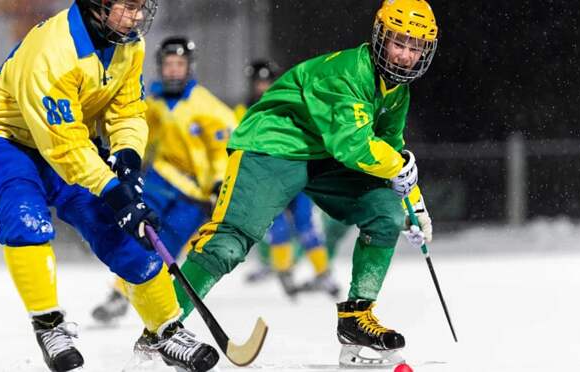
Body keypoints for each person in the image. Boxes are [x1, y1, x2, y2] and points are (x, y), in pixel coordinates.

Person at [174, 0, 438, 366]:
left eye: (415, 48)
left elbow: (392, 152)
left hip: (324, 156)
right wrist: (398, 166)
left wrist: (414, 205)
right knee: (229, 245)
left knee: (386, 211)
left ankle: (356, 317)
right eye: (399, 43)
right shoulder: (347, 73)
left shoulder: (397, 91)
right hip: (273, 146)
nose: (406, 56)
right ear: (380, 37)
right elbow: (354, 146)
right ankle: (163, 328)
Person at [0, 2, 218, 372]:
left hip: (72, 142)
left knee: (125, 233)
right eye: (129, 6)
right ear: (99, 4)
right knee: (25, 217)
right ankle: (48, 325)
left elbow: (127, 109)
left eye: (142, 6)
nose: (138, 16)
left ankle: (166, 329)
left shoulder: (128, 43)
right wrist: (113, 191)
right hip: (7, 139)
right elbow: (62, 144)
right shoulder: (53, 50)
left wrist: (127, 157)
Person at [91, 36, 236, 324]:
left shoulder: (209, 107)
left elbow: (221, 151)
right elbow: (137, 133)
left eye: (179, 64)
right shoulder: (152, 101)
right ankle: (119, 294)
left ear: (189, 67)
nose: (172, 70)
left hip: (194, 194)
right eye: (168, 64)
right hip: (159, 179)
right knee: (140, 232)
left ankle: (152, 301)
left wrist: (219, 182)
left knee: (167, 244)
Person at [236, 60, 341, 299]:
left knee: (306, 223)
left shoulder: (290, 104)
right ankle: (284, 272)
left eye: (267, 82)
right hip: (269, 180)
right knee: (278, 226)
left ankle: (323, 273)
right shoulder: (244, 111)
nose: (263, 87)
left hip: (296, 174)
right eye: (259, 82)